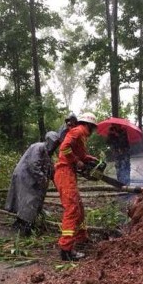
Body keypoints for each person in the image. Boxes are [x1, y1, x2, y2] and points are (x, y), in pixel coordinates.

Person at [54, 112, 99, 261]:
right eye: (92, 128)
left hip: (68, 173)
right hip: (64, 172)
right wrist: (76, 161)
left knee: (78, 207)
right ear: (89, 125)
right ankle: (66, 249)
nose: (92, 132)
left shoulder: (81, 136)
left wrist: (91, 159)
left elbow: (80, 154)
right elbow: (64, 148)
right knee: (72, 209)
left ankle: (81, 237)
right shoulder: (79, 130)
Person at [5, 131, 61, 236]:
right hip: (25, 176)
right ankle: (25, 227)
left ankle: (20, 223)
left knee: (27, 201)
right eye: (54, 143)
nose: (55, 146)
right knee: (29, 201)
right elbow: (33, 165)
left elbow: (52, 170)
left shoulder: (48, 154)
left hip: (31, 178)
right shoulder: (38, 147)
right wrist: (43, 178)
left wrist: (58, 182)